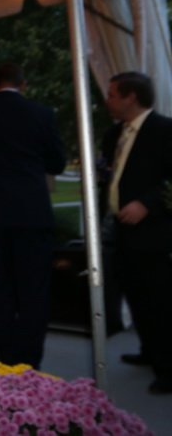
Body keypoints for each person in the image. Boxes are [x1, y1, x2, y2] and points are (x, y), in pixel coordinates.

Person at [0, 63, 66, 368]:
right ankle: (30, 360)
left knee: (0, 289)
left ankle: (5, 357)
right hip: (33, 212)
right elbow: (57, 163)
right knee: (35, 291)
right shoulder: (42, 114)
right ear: (23, 84)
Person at [101, 71, 172, 395]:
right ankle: (149, 349)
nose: (107, 100)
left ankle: (168, 368)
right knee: (135, 293)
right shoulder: (113, 134)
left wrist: (147, 204)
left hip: (155, 231)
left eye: (112, 94)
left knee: (159, 298)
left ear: (131, 97)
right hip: (121, 229)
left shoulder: (164, 130)